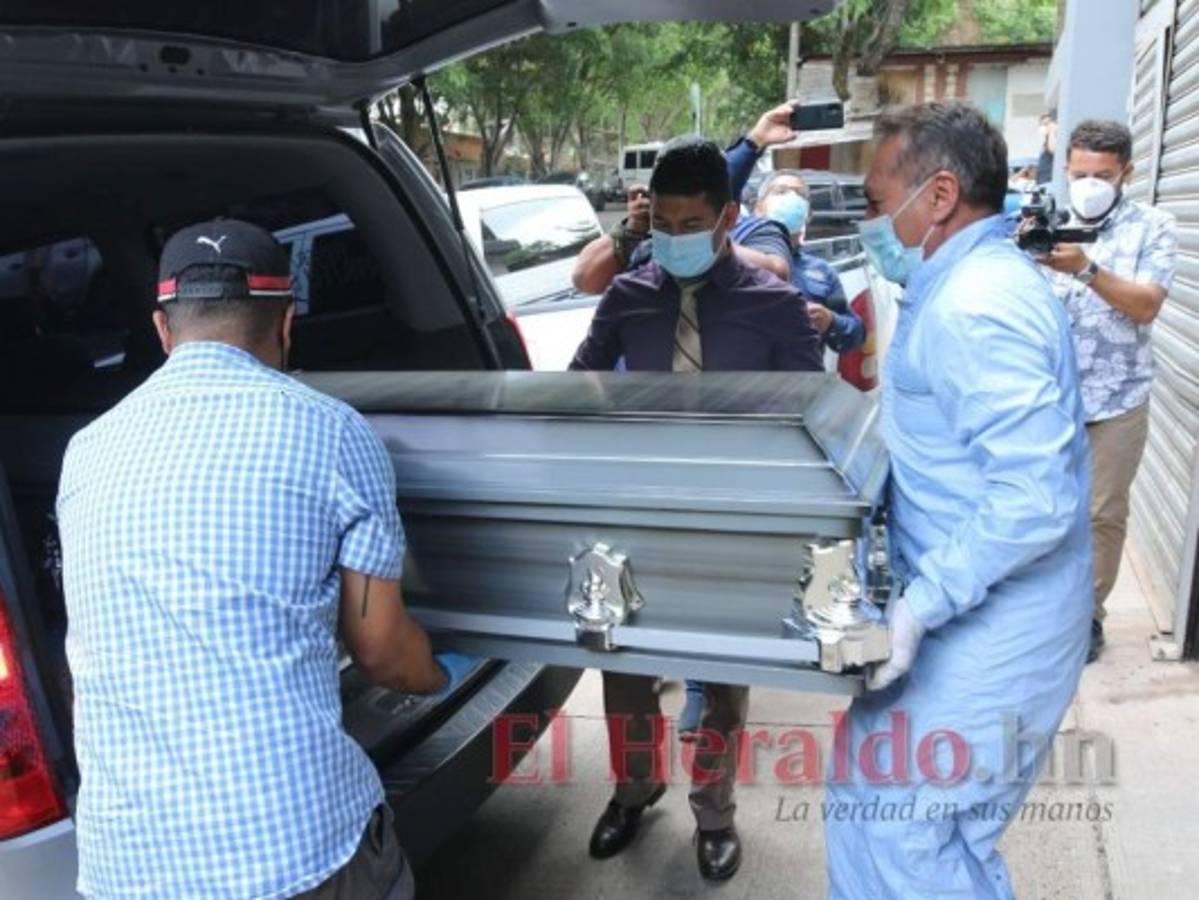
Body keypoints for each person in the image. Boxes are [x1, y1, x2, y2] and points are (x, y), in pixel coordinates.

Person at [56, 219, 470, 899]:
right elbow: (381, 651)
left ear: (164, 330)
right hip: (292, 853)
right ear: (285, 323)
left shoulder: (85, 450)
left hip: (124, 864)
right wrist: (435, 677)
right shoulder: (332, 432)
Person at [824, 102, 1093, 898]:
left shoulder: (975, 306)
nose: (868, 221)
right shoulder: (959, 287)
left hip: (992, 626)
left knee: (906, 827)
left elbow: (1033, 498)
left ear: (937, 197)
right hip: (968, 611)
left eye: (875, 201)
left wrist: (919, 606)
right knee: (896, 814)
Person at [570, 136, 822, 882]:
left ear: (727, 218)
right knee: (621, 667)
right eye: (663, 225)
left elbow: (808, 415)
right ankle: (634, 789)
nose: (674, 239)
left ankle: (713, 815)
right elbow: (578, 385)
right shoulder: (628, 296)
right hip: (635, 510)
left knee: (719, 681)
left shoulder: (772, 307)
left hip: (728, 519)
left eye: (690, 223)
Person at [1035, 118, 1176, 663]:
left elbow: (1146, 305)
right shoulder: (1044, 225)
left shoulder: (1153, 227)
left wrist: (1088, 269)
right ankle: (1040, 609)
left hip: (1118, 396)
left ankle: (1085, 618)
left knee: (1101, 513)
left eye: (1102, 174)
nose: (1088, 184)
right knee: (1046, 507)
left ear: (1126, 173)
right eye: (1078, 173)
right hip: (1048, 396)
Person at [751, 170, 866, 353]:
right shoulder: (738, 261)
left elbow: (856, 334)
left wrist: (830, 321)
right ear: (758, 209)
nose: (791, 198)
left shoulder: (822, 272)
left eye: (800, 194)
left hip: (805, 377)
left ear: (808, 215)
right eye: (781, 191)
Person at [1035, 111, 1057, 185]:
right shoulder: (1043, 140)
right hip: (1042, 177)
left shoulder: (1054, 137)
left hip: (1049, 177)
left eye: (1047, 124)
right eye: (1043, 124)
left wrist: (1051, 131)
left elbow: (1052, 149)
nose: (1045, 127)